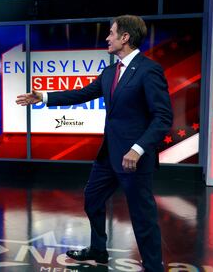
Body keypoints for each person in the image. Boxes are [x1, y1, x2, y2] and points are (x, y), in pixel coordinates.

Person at [16, 15, 172, 272]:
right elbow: (83, 94)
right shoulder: (110, 71)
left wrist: (138, 148)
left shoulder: (149, 70)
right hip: (108, 156)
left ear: (125, 37)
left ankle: (154, 267)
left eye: (111, 33)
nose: (107, 38)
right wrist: (43, 96)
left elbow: (162, 117)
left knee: (143, 217)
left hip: (134, 159)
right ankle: (99, 250)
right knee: (92, 199)